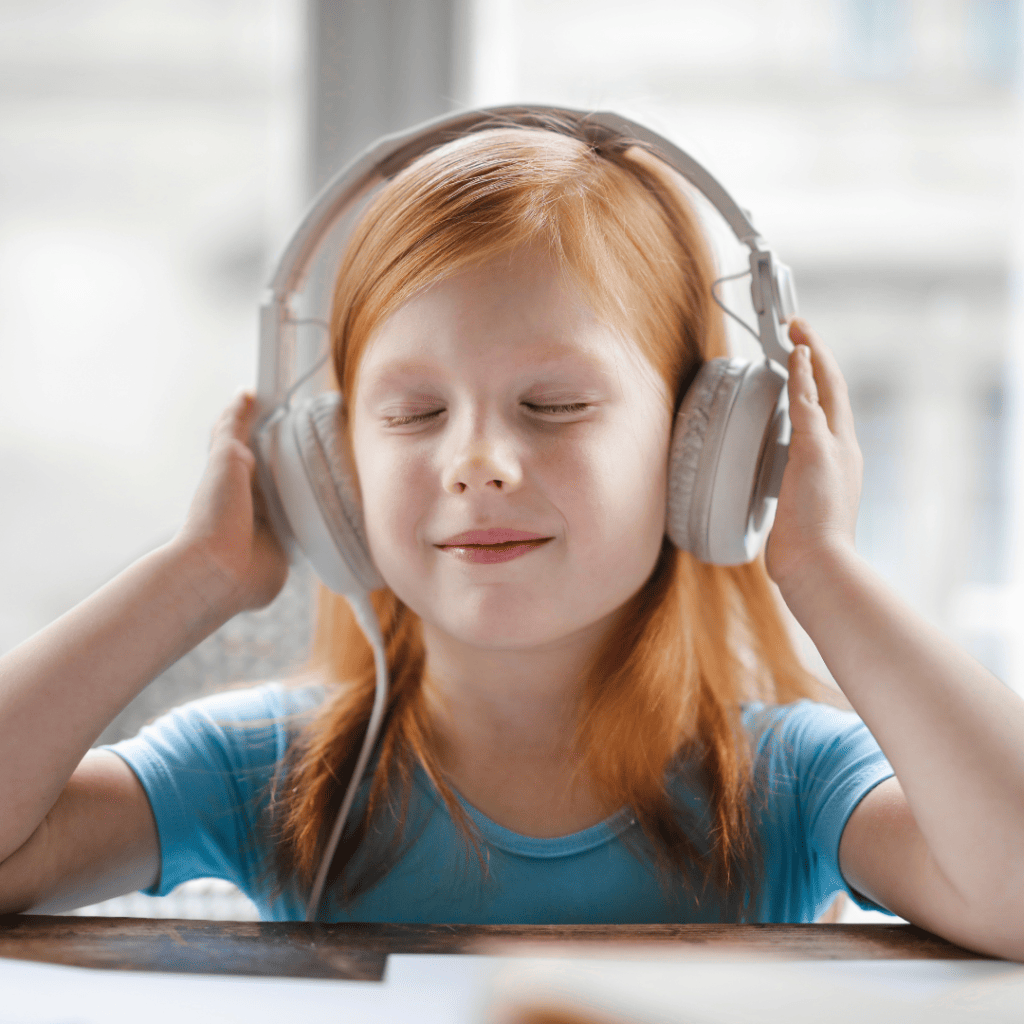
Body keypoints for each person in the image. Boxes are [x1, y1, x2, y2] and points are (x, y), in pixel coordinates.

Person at [1, 122, 1022, 961]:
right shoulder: (272, 766)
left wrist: (821, 568)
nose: (476, 460)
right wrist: (196, 577)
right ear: (327, 472)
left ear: (704, 451)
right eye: (411, 412)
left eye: (554, 403)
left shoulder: (779, 779)